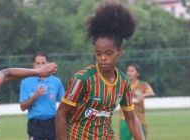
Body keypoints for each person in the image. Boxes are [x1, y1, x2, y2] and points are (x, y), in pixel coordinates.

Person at [55, 1, 145, 140]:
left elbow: (131, 118)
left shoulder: (123, 82)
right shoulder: (82, 79)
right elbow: (61, 114)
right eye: (98, 53)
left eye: (108, 53)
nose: (103, 58)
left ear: (120, 52)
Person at [19, 52, 65, 140]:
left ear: (47, 64)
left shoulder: (56, 81)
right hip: (35, 124)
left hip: (52, 123)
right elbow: (23, 107)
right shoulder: (26, 82)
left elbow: (64, 102)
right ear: (33, 65)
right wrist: (35, 96)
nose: (41, 66)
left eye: (43, 63)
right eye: (38, 63)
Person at [120, 64, 155, 139]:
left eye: (132, 71)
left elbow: (151, 93)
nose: (129, 73)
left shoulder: (143, 85)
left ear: (137, 74)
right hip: (125, 118)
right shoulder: (122, 84)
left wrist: (143, 95)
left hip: (139, 118)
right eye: (128, 71)